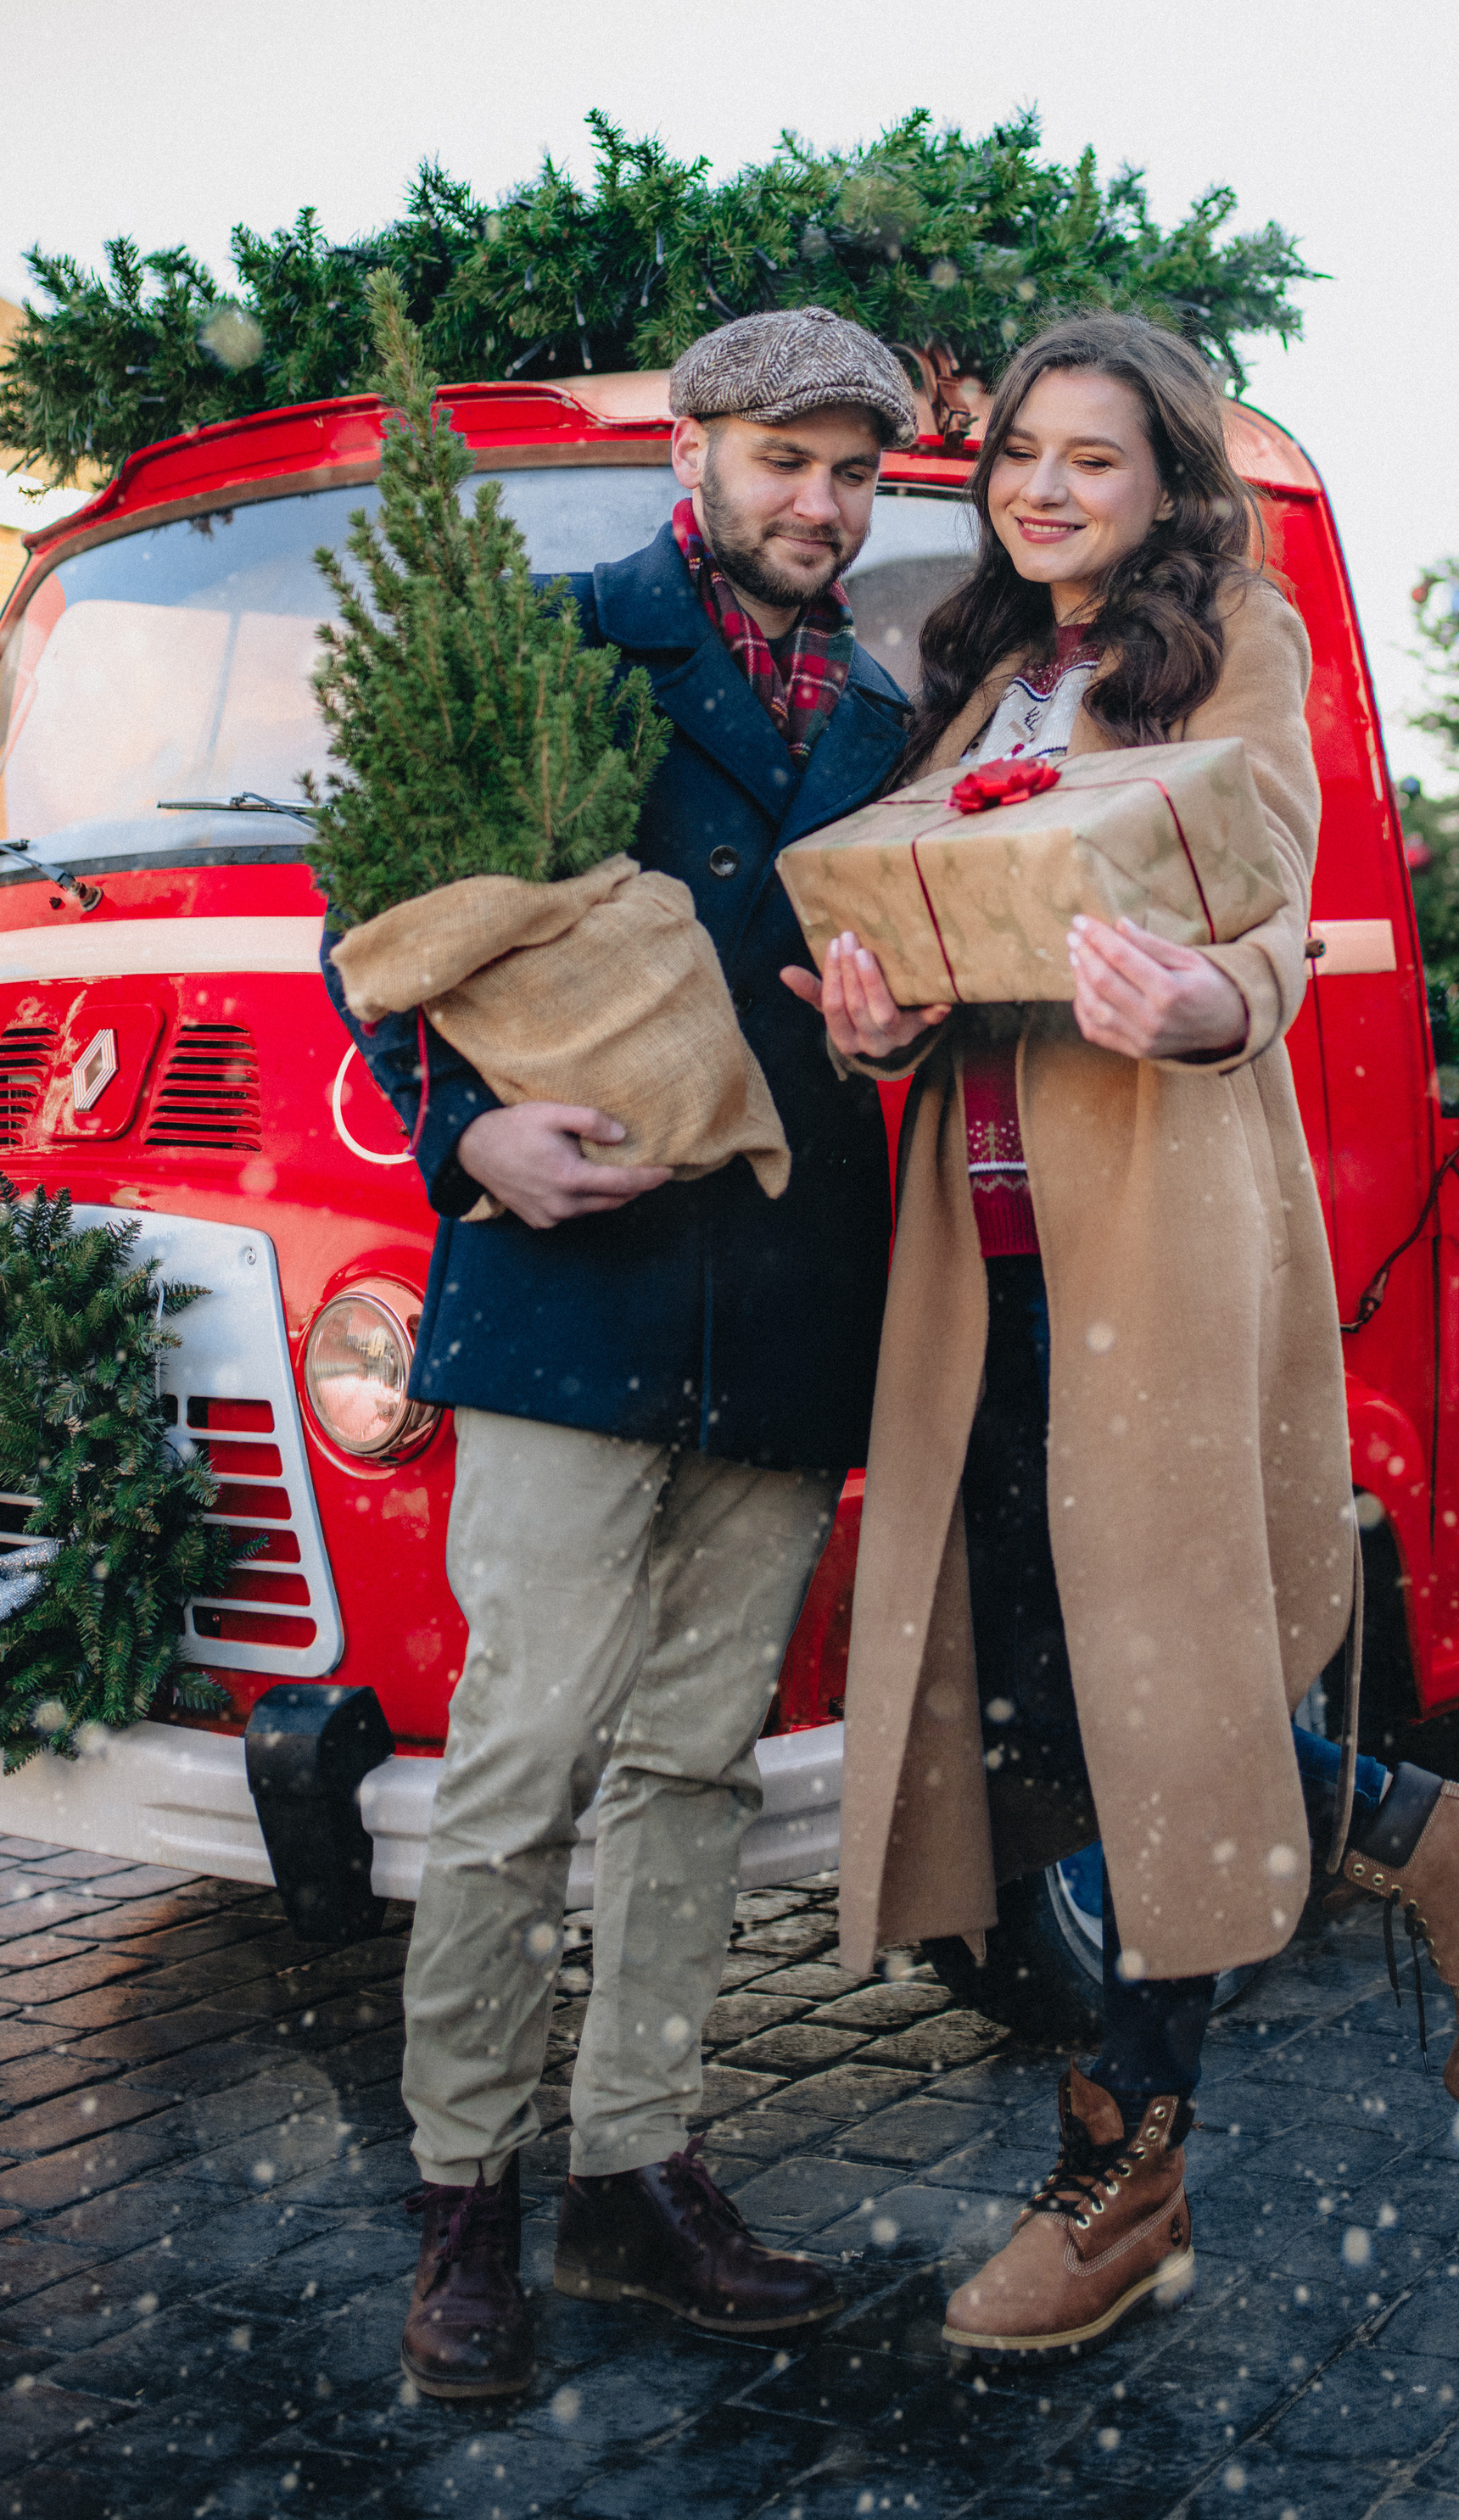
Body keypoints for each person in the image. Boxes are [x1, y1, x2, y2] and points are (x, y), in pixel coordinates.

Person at [785, 312, 1459, 2361]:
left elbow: (1262, 912)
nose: (1044, 489)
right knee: (1039, 1702)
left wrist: (1208, 1002)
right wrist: (878, 1018)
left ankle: (1121, 2172)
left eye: (1093, 457)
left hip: (1145, 1236)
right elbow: (937, 928)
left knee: (1149, 1700)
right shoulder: (979, 671)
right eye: (1020, 455)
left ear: (1164, 484)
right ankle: (1428, 1836)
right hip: (977, 1263)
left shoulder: (1231, 639)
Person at [327, 307, 925, 2400]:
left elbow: (903, 983)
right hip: (565, 1302)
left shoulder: (887, 715)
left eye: (851, 472)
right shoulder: (555, 642)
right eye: (783, 460)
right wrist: (459, 1139)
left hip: (791, 1298)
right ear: (690, 454)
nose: (818, 505)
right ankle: (462, 2201)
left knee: (691, 1768)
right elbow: (371, 926)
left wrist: (899, 1039)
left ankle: (634, 2169)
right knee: (516, 1764)